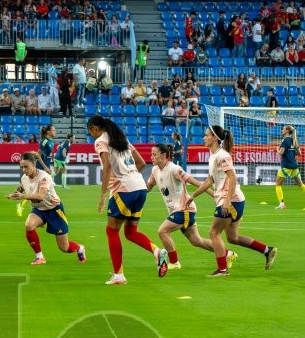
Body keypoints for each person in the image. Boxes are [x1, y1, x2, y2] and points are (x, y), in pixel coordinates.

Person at [87, 115, 169, 285]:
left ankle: (119, 275)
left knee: (112, 231)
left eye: (90, 132)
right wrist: (129, 176)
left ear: (94, 128)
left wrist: (103, 194)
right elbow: (141, 162)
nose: (91, 136)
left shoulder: (100, 141)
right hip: (140, 187)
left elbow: (107, 166)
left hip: (124, 190)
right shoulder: (121, 138)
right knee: (130, 232)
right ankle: (157, 251)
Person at [186, 125, 277, 276]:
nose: (204, 137)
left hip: (231, 200)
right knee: (232, 238)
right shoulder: (214, 155)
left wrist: (227, 201)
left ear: (214, 138)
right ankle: (267, 250)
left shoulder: (223, 155)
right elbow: (210, 180)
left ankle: (222, 269)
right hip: (235, 200)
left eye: (206, 135)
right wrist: (194, 195)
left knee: (214, 233)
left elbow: (233, 177)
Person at [146, 143, 223, 271]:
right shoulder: (154, 170)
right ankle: (227, 254)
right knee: (196, 241)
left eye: (154, 154)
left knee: (162, 231)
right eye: (151, 154)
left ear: (164, 155)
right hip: (177, 210)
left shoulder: (174, 169)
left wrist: (213, 194)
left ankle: (174, 262)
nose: (151, 157)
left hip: (184, 209)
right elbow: (148, 187)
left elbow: (195, 182)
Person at [8, 152, 86, 265]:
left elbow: (41, 196)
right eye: (22, 167)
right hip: (39, 210)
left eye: (26, 166)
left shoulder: (44, 177)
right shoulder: (24, 178)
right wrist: (14, 194)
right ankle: (40, 257)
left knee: (64, 247)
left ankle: (80, 248)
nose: (24, 170)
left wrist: (22, 196)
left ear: (33, 165)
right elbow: (21, 187)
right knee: (29, 225)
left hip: (54, 210)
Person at [18, 125, 55, 217]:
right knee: (37, 190)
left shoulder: (50, 141)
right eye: (53, 130)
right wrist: (45, 167)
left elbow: (46, 155)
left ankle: (23, 205)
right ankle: (23, 206)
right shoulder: (44, 141)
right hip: (40, 168)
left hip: (45, 166)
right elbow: (38, 155)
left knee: (39, 190)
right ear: (48, 132)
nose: (55, 131)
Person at [274, 125, 304, 209]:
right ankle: (281, 204)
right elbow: (299, 153)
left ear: (287, 131)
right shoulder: (293, 140)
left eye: (283, 129)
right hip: (294, 165)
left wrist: (277, 149)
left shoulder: (285, 141)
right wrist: (291, 153)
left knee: (278, 184)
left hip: (286, 166)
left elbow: (280, 153)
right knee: (301, 184)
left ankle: (281, 204)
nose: (282, 130)